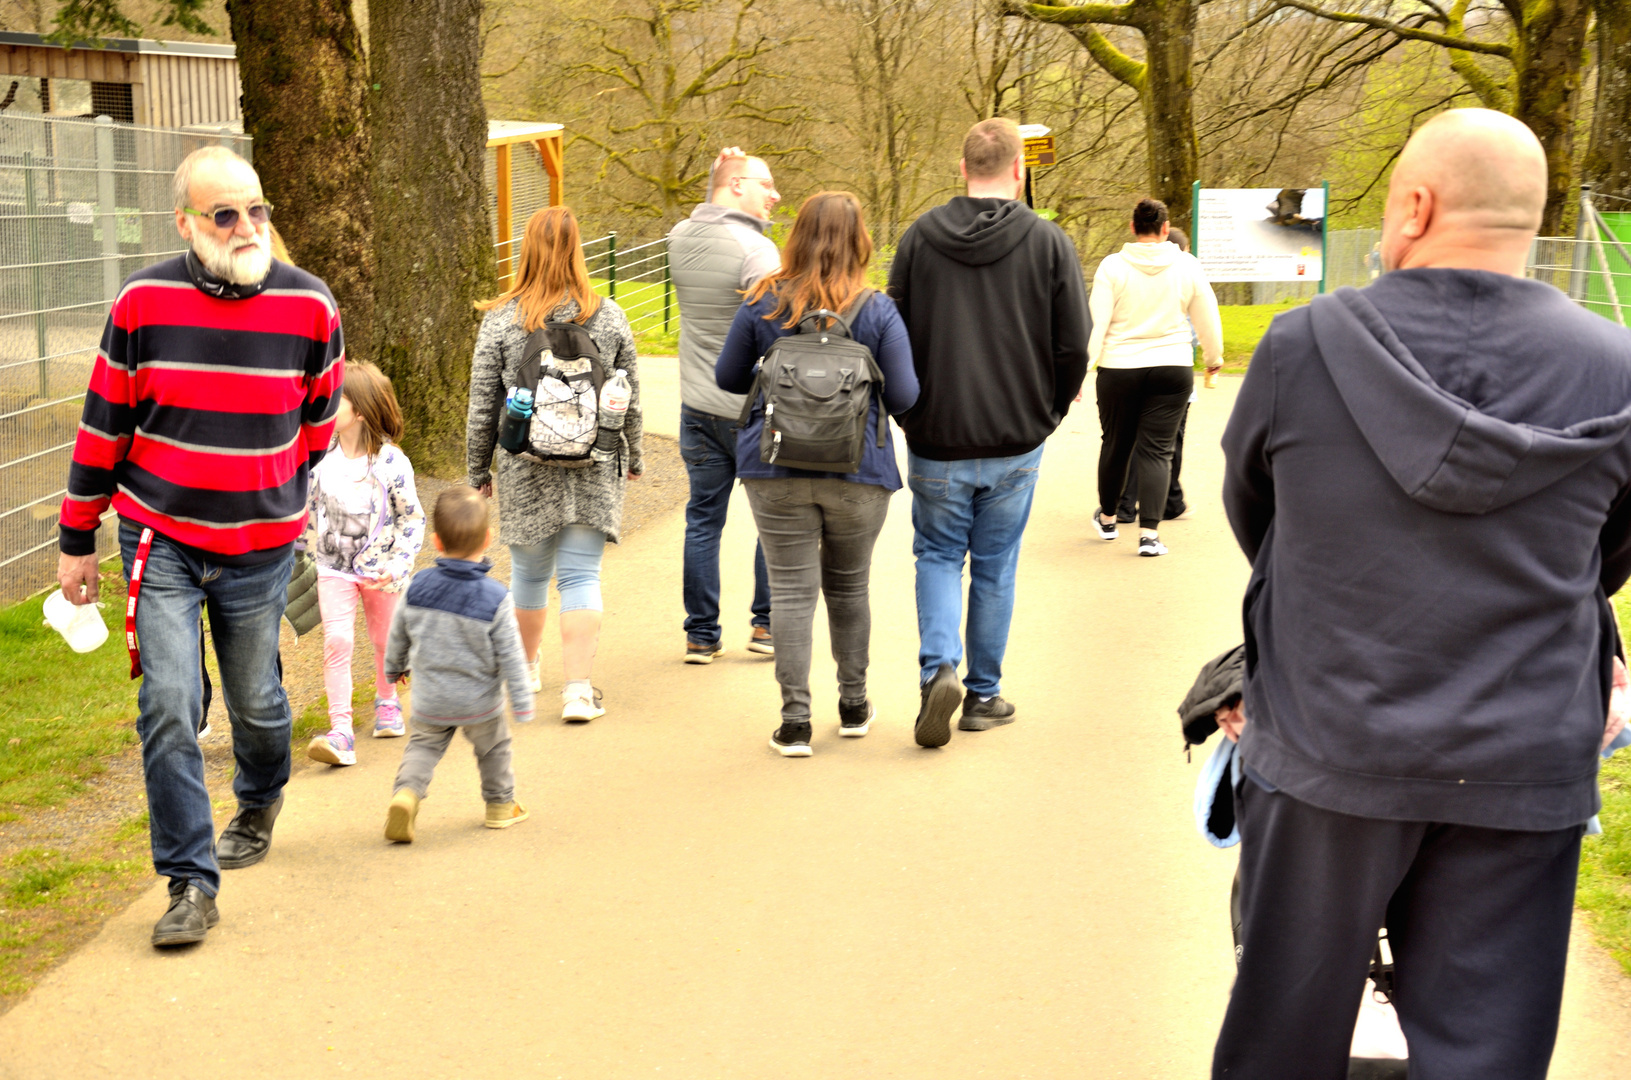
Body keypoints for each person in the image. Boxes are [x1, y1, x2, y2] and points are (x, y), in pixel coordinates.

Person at [1215, 108, 1631, 1079]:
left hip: (1328, 747)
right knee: (1483, 1051)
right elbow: (1602, 557)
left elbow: (1256, 517)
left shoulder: (1299, 347)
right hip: (1520, 759)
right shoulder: (1615, 371)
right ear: (1528, 222)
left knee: (1280, 1039)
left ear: (1412, 204)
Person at [54, 146, 343, 947]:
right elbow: (103, 426)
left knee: (257, 701)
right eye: (225, 214)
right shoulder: (143, 302)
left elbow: (316, 431)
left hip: (259, 548)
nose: (248, 227)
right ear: (185, 223)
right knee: (169, 706)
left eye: (258, 210)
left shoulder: (312, 306)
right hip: (161, 541)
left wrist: (265, 491)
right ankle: (188, 882)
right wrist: (77, 540)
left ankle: (258, 796)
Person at [887, 117, 1091, 749]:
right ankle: (981, 695)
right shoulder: (1050, 243)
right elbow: (1073, 344)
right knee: (997, 567)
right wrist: (1047, 414)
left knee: (939, 556)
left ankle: (936, 672)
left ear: (963, 168)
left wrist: (909, 412)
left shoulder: (919, 238)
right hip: (1014, 436)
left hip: (938, 434)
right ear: (1019, 169)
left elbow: (893, 333)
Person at [715, 191, 920, 756]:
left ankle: (795, 722)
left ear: (797, 236)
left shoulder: (763, 301)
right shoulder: (877, 309)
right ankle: (853, 705)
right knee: (849, 586)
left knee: (790, 591)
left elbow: (730, 377)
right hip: (860, 471)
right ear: (860, 240)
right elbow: (904, 395)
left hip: (774, 467)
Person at [466, 206, 643, 723]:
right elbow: (628, 396)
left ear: (527, 250)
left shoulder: (502, 319)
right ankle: (579, 693)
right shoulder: (608, 316)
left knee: (527, 575)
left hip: (524, 464)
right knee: (582, 576)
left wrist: (479, 469)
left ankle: (523, 674)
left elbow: (482, 404)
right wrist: (632, 451)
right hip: (595, 462)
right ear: (578, 250)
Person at [668, 147, 780, 663]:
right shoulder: (757, 251)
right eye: (765, 184)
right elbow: (778, 331)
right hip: (753, 410)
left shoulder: (679, 238)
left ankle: (700, 634)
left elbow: (705, 218)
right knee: (772, 519)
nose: (775, 195)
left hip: (697, 407)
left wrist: (715, 175)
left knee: (703, 519)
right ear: (737, 186)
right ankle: (766, 625)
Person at [382, 487, 533, 842]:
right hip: (480, 703)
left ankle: (406, 794)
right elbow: (512, 655)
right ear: (489, 538)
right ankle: (499, 805)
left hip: (431, 699)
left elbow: (398, 632)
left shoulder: (417, 586)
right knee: (494, 749)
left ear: (436, 541)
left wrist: (394, 668)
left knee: (422, 748)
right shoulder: (497, 598)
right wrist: (523, 702)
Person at [305, 361, 425, 766]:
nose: (325, 404)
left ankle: (387, 700)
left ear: (358, 410)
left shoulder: (392, 463)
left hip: (381, 572)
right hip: (332, 568)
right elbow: (307, 510)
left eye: (337, 398)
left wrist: (399, 565)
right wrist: (300, 555)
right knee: (337, 642)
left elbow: (412, 519)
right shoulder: (319, 457)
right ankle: (340, 731)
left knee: (384, 640)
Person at [1089, 198, 1222, 557]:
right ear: (1166, 230)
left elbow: (1097, 323)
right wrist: (1214, 357)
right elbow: (1207, 316)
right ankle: (1149, 536)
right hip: (1172, 368)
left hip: (1119, 368)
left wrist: (1083, 368)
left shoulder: (1111, 267)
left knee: (1116, 445)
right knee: (1158, 451)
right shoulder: (1187, 265)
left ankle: (1108, 518)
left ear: (1133, 228)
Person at [1116, 224, 1199, 525]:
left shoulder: (1126, 273)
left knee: (1138, 442)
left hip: (1131, 367)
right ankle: (1165, 503)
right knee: (1164, 444)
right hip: (1172, 370)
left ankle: (1132, 504)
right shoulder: (1183, 275)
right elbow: (1197, 330)